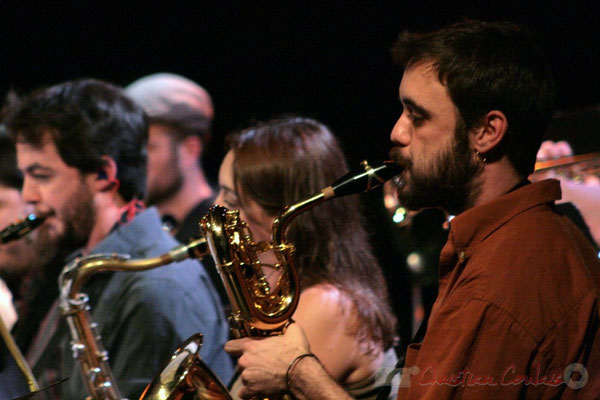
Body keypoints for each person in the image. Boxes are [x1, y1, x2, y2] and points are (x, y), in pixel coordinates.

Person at [225, 20, 600, 399]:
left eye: (417, 117)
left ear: (487, 133)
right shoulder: (526, 239)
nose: (397, 132)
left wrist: (300, 373)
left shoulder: (500, 281)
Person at [4, 79, 233, 399]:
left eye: (42, 176)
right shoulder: (84, 262)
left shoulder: (156, 289)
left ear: (103, 174)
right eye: (25, 175)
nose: (28, 195)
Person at [215, 116, 400, 399]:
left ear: (285, 215)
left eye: (231, 201)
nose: (215, 208)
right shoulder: (288, 288)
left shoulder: (327, 305)